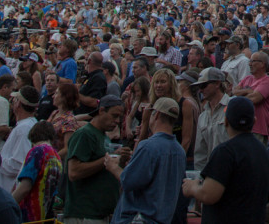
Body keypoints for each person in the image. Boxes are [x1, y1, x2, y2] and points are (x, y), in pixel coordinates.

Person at [182, 96, 269, 224]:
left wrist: (192, 187)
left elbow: (209, 194)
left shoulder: (225, 151)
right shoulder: (262, 151)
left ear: (226, 121)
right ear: (254, 121)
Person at [106, 97, 187, 224]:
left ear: (157, 115)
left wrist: (113, 166)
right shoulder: (180, 151)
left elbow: (128, 181)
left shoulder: (148, 147)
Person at [64, 95, 129, 224]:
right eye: (114, 115)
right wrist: (108, 159)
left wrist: (120, 161)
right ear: (101, 111)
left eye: (119, 118)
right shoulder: (85, 134)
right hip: (85, 214)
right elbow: (74, 172)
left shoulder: (103, 136)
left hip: (100, 214)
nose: (117, 121)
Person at [11, 120, 62, 224]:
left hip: (29, 215)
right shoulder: (56, 157)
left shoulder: (37, 151)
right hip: (46, 215)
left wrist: (7, 204)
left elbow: (25, 187)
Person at [0, 85, 39, 192]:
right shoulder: (27, 125)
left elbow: (18, 165)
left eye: (14, 99)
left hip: (9, 190)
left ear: (18, 103)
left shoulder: (24, 128)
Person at [232, 51, 269, 144]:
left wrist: (241, 95)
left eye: (253, 61)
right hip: (241, 128)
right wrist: (248, 91)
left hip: (257, 129)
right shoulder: (247, 78)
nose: (250, 64)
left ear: (262, 64)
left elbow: (254, 99)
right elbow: (234, 92)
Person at [192, 67, 230, 173]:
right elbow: (200, 152)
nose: (200, 90)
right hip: (211, 175)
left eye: (204, 85)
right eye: (199, 86)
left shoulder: (233, 107)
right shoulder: (202, 116)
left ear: (217, 84)